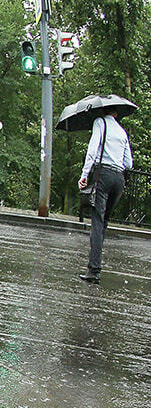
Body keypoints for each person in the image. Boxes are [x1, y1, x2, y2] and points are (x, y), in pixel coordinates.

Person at [77, 106, 133, 284]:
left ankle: (94, 271)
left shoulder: (100, 123)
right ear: (116, 113)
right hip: (119, 179)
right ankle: (96, 266)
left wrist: (85, 175)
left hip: (104, 174)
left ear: (103, 111)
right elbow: (128, 163)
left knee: (97, 221)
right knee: (104, 222)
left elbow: (92, 151)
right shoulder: (122, 132)